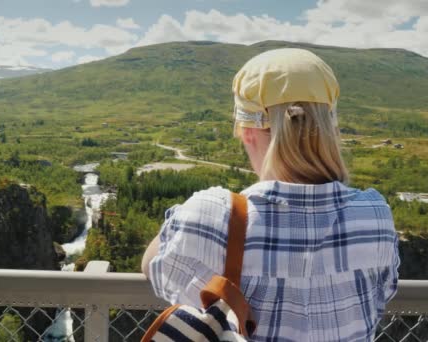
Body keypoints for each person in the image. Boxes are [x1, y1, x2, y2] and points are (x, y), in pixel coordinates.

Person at [141, 48, 400, 341]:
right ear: (331, 127)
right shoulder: (375, 215)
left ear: (247, 131)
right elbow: (381, 296)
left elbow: (153, 263)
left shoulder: (212, 213)